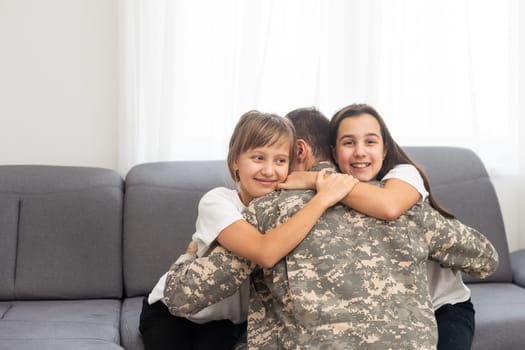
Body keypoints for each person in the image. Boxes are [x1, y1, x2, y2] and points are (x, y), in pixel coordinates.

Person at [163, 107, 498, 349]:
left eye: (281, 159)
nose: (275, 173)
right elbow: (485, 259)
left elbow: (179, 297)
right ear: (336, 150)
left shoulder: (266, 211)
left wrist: (189, 254)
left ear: (299, 151)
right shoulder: (403, 205)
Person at [139, 110, 355, 350]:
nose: (269, 170)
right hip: (175, 313)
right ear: (235, 162)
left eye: (280, 161)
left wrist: (311, 182)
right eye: (258, 158)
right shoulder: (217, 201)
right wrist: (322, 198)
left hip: (225, 323)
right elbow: (265, 251)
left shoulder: (286, 207)